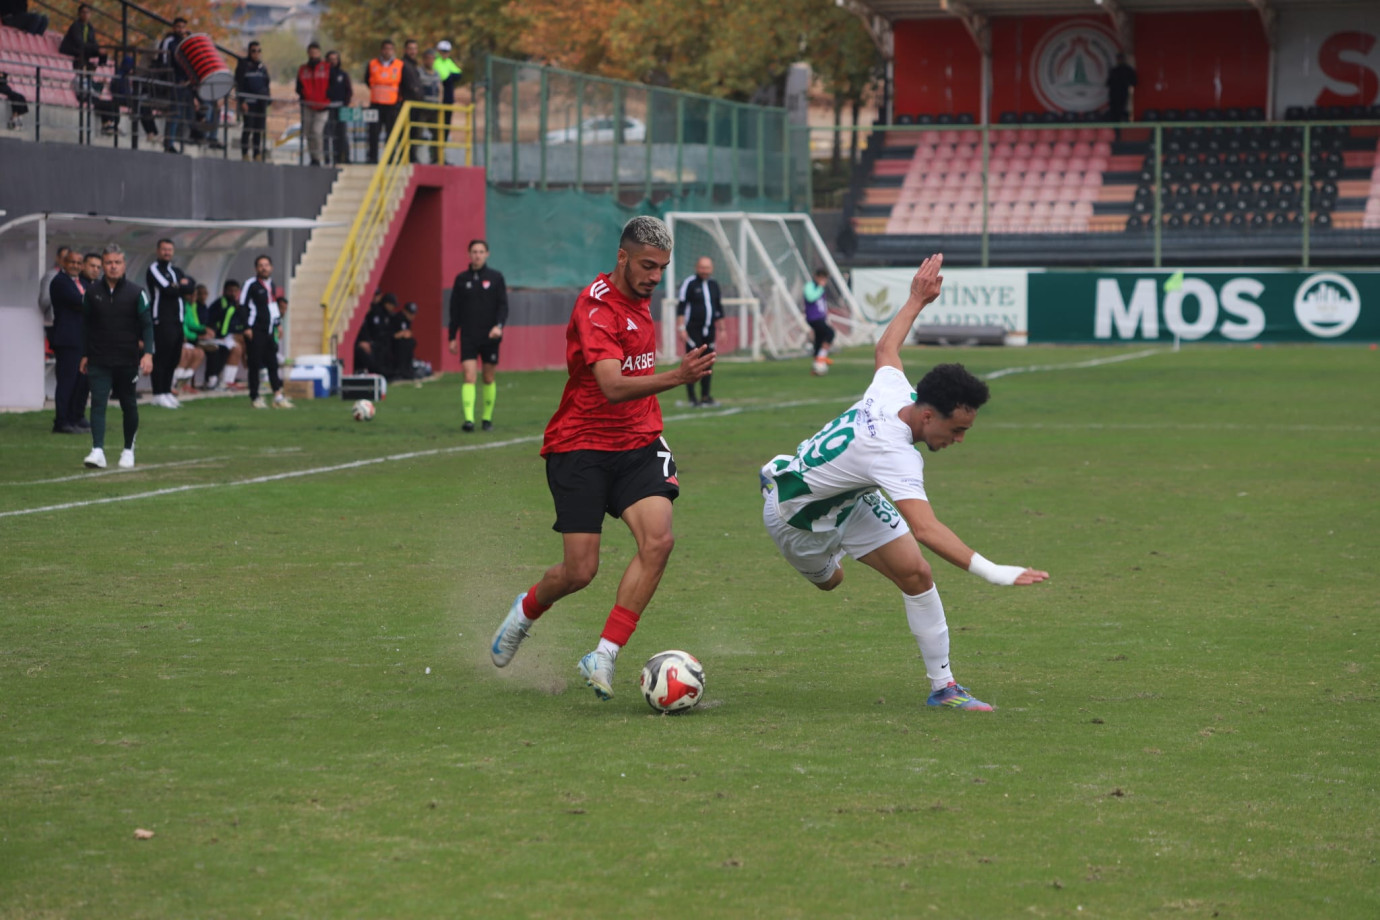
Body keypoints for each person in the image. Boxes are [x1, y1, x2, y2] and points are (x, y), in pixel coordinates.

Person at [758, 254, 1049, 712]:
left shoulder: (896, 389)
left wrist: (916, 299)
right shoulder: (896, 454)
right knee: (831, 581)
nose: (958, 441)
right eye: (956, 431)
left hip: (852, 501)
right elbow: (928, 529)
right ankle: (778, 476)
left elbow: (885, 350)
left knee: (916, 575)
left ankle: (944, 688)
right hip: (797, 519)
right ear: (928, 416)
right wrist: (995, 572)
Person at [487, 216, 716, 701]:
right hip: (581, 444)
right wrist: (678, 378)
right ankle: (525, 611)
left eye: (663, 268)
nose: (655, 276)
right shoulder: (595, 309)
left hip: (638, 441)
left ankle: (605, 654)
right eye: (647, 266)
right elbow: (611, 386)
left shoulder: (641, 296)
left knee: (659, 540)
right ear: (622, 258)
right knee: (580, 571)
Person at [81, 244, 153, 470]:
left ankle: (128, 450)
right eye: (109, 262)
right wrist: (84, 354)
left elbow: (147, 325)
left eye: (117, 262)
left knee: (128, 404)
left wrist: (148, 354)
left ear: (124, 264)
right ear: (103, 265)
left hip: (127, 359)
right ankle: (97, 450)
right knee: (98, 403)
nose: (113, 266)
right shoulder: (91, 293)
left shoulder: (136, 292)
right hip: (99, 359)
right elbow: (85, 326)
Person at [447, 239, 507, 432]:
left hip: (490, 336)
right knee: (469, 376)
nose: (477, 255)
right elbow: (454, 310)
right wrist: (451, 336)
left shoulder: (496, 277)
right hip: (468, 336)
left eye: (481, 251)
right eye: (474, 251)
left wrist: (498, 326)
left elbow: (503, 306)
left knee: (488, 377)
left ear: (487, 254)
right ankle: (469, 420)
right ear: (469, 254)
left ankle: (487, 419)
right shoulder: (461, 279)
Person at [145, 238, 196, 409]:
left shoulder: (176, 270)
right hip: (162, 319)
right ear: (158, 251)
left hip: (178, 320)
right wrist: (179, 287)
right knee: (162, 357)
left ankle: (167, 391)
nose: (167, 252)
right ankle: (158, 394)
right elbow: (168, 289)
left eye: (170, 249)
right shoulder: (154, 269)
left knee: (174, 357)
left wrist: (179, 286)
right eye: (164, 249)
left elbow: (190, 287)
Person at [241, 254, 292, 409]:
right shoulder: (251, 284)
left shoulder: (271, 285)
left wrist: (278, 324)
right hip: (255, 329)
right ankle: (255, 397)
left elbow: (272, 306)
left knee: (272, 363)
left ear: (271, 267)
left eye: (266, 265)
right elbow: (242, 305)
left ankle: (277, 396)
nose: (264, 268)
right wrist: (246, 327)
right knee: (255, 364)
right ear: (256, 268)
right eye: (261, 265)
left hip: (269, 329)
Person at [49, 249, 91, 434]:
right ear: (64, 263)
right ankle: (61, 421)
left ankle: (74, 418)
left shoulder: (82, 282)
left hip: (82, 339)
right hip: (68, 339)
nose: (75, 266)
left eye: (78, 263)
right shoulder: (59, 282)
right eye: (72, 262)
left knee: (81, 381)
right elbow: (81, 301)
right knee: (67, 381)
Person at [675, 256, 725, 407]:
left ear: (712, 269)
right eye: (702, 267)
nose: (705, 271)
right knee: (693, 363)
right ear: (697, 267)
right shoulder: (689, 284)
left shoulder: (714, 285)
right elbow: (681, 307)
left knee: (708, 362)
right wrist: (681, 328)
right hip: (692, 330)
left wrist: (722, 329)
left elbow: (718, 307)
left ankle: (705, 396)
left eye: (707, 268)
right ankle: (692, 398)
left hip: (709, 330)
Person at [364, 39, 402, 164]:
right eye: (385, 49)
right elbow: (367, 80)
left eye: (390, 49)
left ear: (393, 51)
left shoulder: (399, 65)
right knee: (373, 132)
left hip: (391, 105)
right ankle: (372, 157)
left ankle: (389, 158)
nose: (387, 51)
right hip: (375, 104)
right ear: (381, 50)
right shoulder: (372, 64)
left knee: (391, 134)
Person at [156, 17, 190, 154]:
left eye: (183, 27)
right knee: (175, 112)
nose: (180, 29)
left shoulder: (185, 42)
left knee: (185, 111)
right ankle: (169, 143)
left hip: (185, 82)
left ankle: (192, 137)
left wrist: (188, 79)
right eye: (178, 27)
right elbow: (163, 62)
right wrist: (172, 81)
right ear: (173, 27)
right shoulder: (168, 42)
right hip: (173, 83)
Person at [296, 42, 331, 166]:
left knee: (317, 131)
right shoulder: (303, 69)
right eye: (311, 52)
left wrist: (328, 98)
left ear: (319, 53)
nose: (313, 54)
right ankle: (314, 158)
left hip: (323, 106)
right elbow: (298, 87)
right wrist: (304, 96)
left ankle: (319, 156)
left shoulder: (326, 68)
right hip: (308, 105)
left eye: (315, 52)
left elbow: (331, 85)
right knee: (308, 133)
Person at [206, 279, 245, 389]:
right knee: (236, 348)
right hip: (218, 337)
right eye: (230, 291)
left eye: (235, 291)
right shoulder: (219, 304)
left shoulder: (237, 305)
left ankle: (229, 380)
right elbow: (213, 322)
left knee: (247, 344)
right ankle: (224, 381)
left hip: (228, 336)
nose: (233, 293)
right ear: (224, 291)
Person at [235, 41, 270, 161]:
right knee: (248, 127)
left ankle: (257, 153)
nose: (256, 53)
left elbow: (266, 83)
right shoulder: (243, 65)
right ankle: (245, 153)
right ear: (249, 52)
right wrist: (242, 101)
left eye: (258, 51)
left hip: (261, 103)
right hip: (249, 102)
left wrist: (268, 98)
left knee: (258, 129)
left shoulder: (262, 67)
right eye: (254, 51)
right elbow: (238, 84)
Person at [803, 267, 835, 374]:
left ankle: (816, 366)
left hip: (820, 317)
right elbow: (810, 298)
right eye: (821, 278)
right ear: (816, 277)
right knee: (830, 333)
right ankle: (821, 358)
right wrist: (820, 288)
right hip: (813, 318)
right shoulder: (810, 286)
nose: (823, 281)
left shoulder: (820, 288)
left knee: (819, 339)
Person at [353, 289, 393, 375]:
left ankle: (383, 371)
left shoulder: (366, 318)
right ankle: (374, 371)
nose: (369, 308)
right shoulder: (357, 319)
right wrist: (360, 343)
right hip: (359, 345)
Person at [38, 245, 70, 350]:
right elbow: (43, 301)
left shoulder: (72, 277)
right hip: (54, 322)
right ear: (58, 258)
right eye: (64, 258)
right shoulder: (51, 275)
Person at [59, 4, 105, 73]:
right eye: (83, 12)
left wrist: (98, 49)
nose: (85, 14)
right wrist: (92, 47)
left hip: (84, 47)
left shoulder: (90, 27)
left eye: (87, 12)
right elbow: (78, 42)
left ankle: (101, 67)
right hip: (73, 48)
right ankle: (84, 69)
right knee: (83, 51)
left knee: (102, 52)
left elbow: (93, 41)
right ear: (79, 14)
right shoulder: (76, 26)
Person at [325, 50, 352, 164]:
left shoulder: (343, 74)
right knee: (327, 134)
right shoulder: (324, 75)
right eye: (330, 60)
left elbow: (349, 91)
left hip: (341, 108)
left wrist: (345, 103)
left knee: (342, 134)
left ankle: (344, 158)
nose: (333, 62)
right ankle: (328, 158)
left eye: (335, 59)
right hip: (327, 108)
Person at [433, 40, 462, 144]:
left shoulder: (448, 61)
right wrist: (449, 76)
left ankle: (442, 152)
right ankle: (435, 154)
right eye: (443, 51)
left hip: (448, 99)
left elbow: (458, 74)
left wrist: (450, 77)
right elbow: (444, 77)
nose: (445, 54)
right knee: (437, 126)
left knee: (446, 125)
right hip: (439, 99)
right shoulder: (436, 61)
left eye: (447, 51)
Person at [416, 48, 441, 163]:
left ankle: (436, 157)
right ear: (424, 59)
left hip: (434, 108)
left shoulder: (437, 73)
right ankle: (415, 157)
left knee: (437, 134)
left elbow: (439, 89)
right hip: (423, 108)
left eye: (432, 58)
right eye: (428, 58)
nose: (430, 61)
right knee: (418, 132)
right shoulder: (419, 72)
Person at [389, 300, 418, 379]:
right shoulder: (397, 318)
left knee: (411, 343)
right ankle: (401, 371)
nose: (412, 316)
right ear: (405, 311)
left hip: (405, 343)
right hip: (395, 343)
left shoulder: (407, 321)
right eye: (410, 313)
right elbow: (392, 334)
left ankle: (408, 370)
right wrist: (401, 334)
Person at [1106, 52, 1138, 124]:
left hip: (1123, 94)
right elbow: (1108, 83)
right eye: (1118, 59)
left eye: (1121, 59)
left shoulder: (1127, 70)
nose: (1119, 60)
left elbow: (1134, 82)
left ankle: (1120, 128)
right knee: (1114, 113)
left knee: (1121, 112)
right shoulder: (1114, 70)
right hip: (1114, 95)